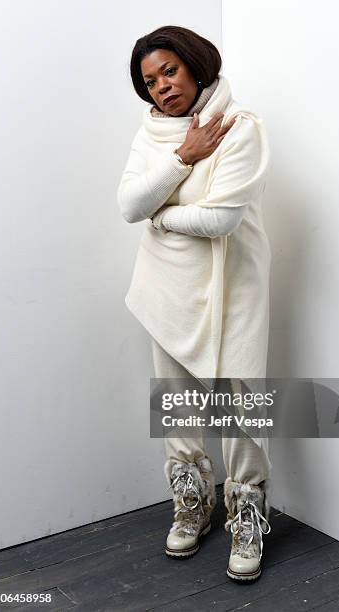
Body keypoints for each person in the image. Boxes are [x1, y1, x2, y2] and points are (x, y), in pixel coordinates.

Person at [117, 25, 273, 582]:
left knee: (242, 395)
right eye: (150, 80)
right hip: (166, 283)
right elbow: (130, 203)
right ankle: (192, 500)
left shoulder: (239, 127)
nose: (161, 87)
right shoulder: (153, 134)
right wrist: (184, 156)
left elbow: (221, 219)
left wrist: (162, 215)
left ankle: (247, 509)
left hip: (236, 282)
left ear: (195, 64)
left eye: (169, 71)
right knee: (177, 396)